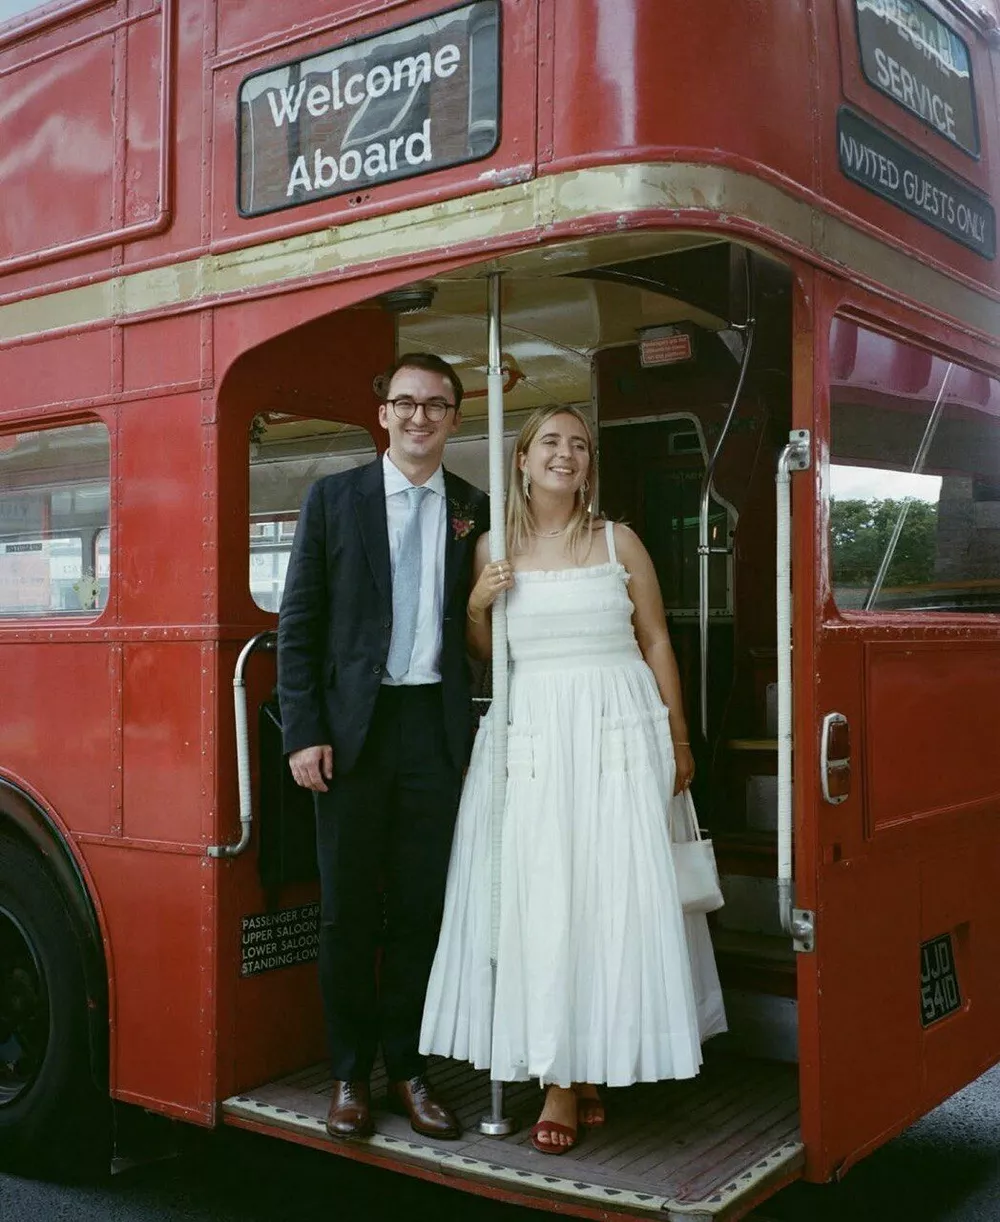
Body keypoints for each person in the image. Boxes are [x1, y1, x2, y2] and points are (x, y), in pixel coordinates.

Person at [420, 405, 726, 1153]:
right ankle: (563, 1074)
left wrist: (678, 737)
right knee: (546, 897)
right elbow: (485, 653)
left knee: (607, 896)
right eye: (551, 443)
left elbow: (656, 639)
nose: (567, 454)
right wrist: (476, 605)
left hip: (618, 730)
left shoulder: (620, 540)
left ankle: (585, 1063)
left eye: (580, 445)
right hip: (532, 733)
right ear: (522, 461)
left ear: (590, 464)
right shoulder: (492, 548)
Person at [278, 353, 488, 1142]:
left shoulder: (474, 508)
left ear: (455, 418)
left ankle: (407, 1068)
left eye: (435, 405)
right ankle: (347, 1075)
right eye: (406, 402)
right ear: (384, 415)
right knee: (347, 914)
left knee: (421, 910)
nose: (418, 417)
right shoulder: (334, 499)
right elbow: (298, 625)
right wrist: (304, 732)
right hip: (350, 736)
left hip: (434, 731)